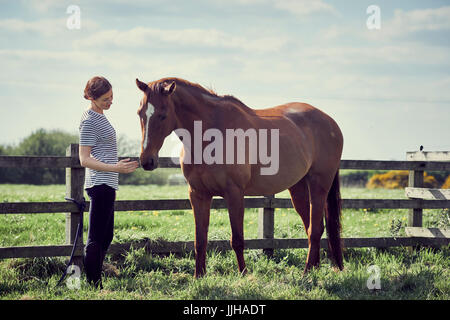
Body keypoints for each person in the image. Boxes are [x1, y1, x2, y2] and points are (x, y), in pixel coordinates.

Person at [79, 76, 139, 288]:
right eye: (106, 98)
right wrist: (116, 168)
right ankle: (94, 285)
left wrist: (117, 166)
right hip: (99, 183)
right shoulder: (89, 120)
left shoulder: (100, 117)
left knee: (107, 235)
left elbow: (103, 152)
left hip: (108, 183)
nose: (110, 101)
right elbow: (84, 159)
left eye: (112, 97)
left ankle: (96, 276)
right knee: (96, 237)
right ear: (92, 97)